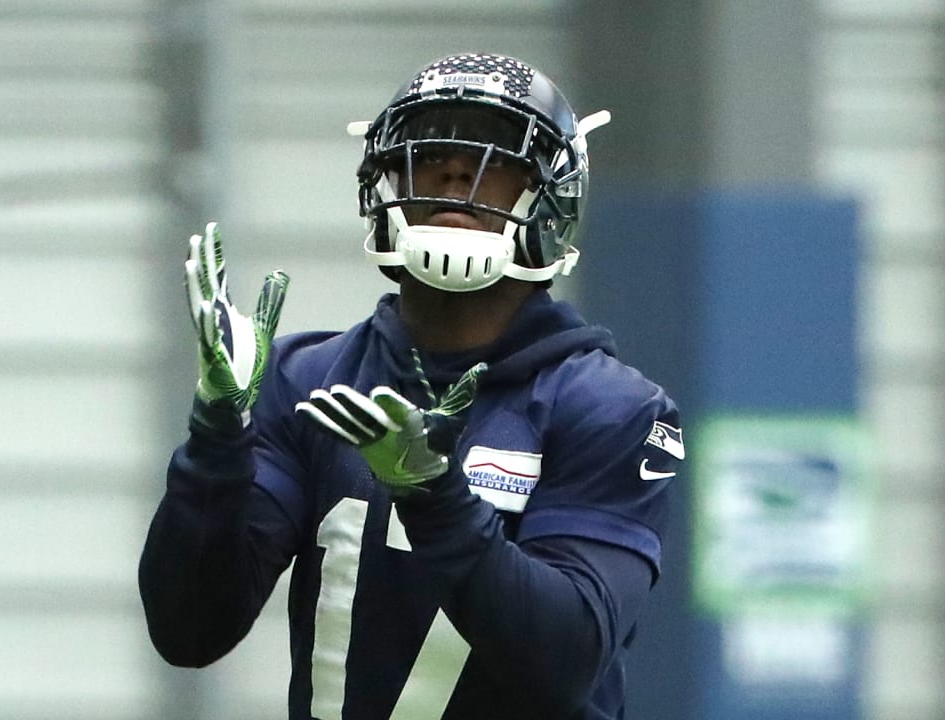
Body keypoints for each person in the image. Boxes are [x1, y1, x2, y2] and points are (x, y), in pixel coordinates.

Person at [139, 52, 684, 720]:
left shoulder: (609, 407)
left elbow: (564, 657)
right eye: (432, 154)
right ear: (385, 182)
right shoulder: (303, 379)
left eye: (497, 158)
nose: (457, 172)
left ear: (550, 196)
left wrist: (435, 496)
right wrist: (215, 441)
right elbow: (189, 631)